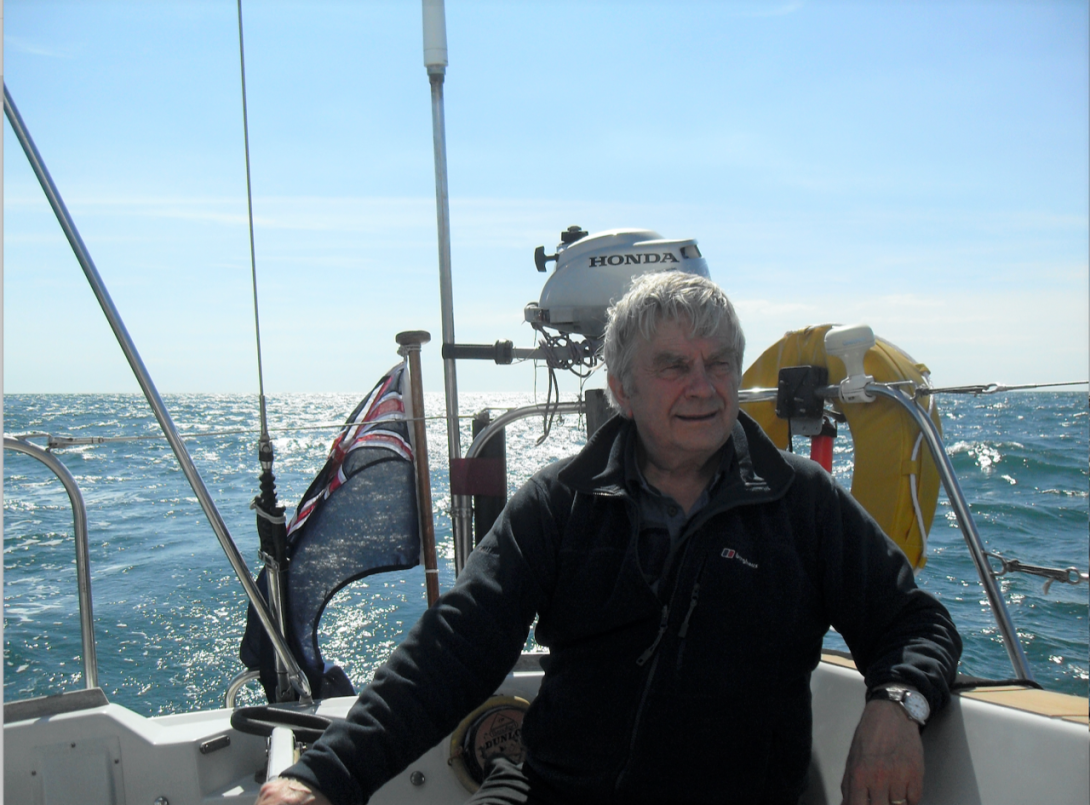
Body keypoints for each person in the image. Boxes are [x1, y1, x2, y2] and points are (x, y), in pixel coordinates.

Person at [257, 271, 961, 805]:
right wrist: (322, 778)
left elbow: (914, 622)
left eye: (719, 362)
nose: (704, 386)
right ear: (623, 389)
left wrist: (896, 704)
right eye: (674, 365)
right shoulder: (560, 503)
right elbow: (453, 650)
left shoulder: (799, 503)